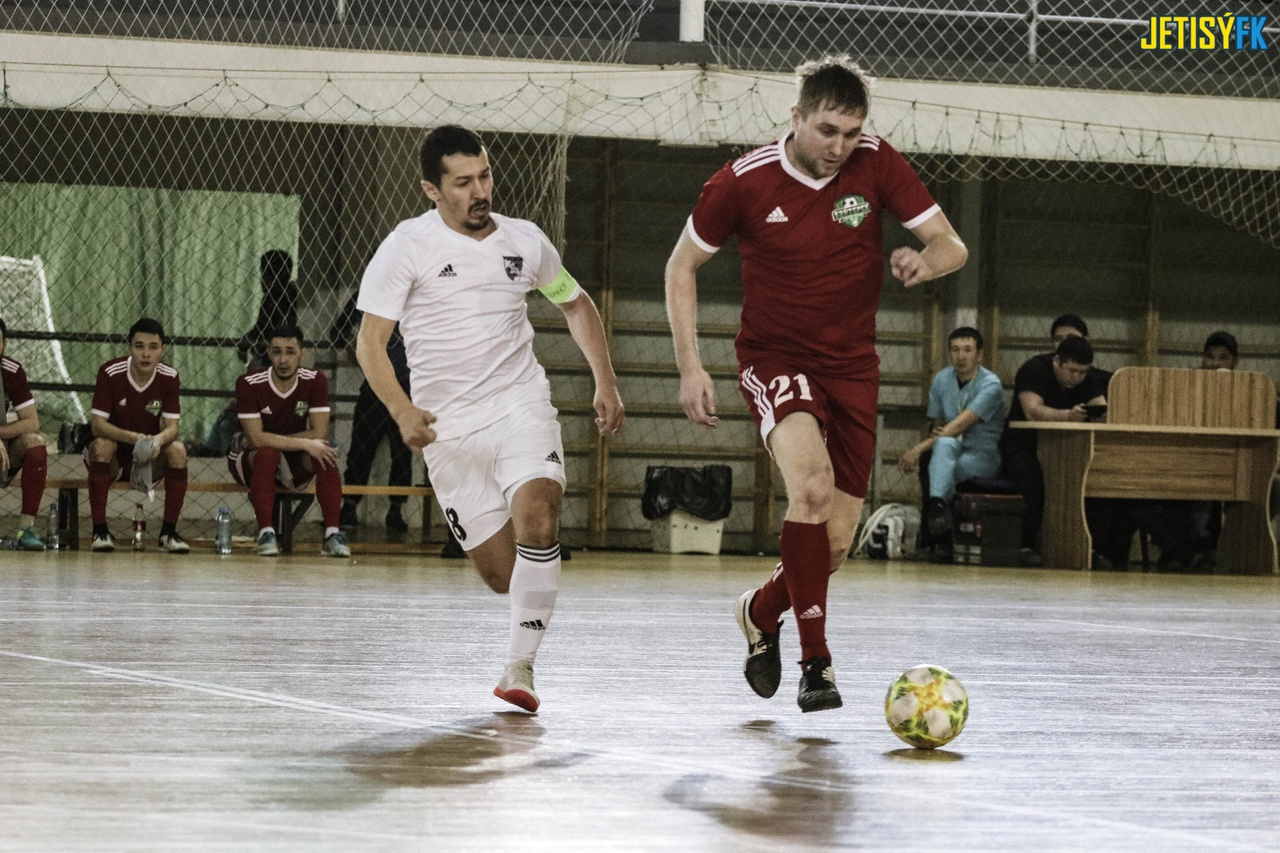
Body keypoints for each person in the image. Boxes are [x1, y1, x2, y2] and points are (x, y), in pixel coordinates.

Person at [665, 55, 969, 713]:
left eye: (852, 133)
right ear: (796, 117)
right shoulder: (741, 182)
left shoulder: (876, 161)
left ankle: (759, 610)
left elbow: (952, 245)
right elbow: (681, 267)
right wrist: (691, 366)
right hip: (774, 359)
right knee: (809, 488)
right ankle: (817, 663)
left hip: (852, 369)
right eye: (827, 130)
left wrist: (927, 262)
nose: (839, 146)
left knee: (830, 546)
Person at [354, 125, 625, 713]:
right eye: (462, 182)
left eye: (485, 176)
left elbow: (575, 302)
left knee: (540, 519)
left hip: (518, 404)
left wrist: (605, 380)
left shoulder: (525, 241)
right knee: (504, 576)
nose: (479, 191)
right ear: (431, 189)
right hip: (448, 431)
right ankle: (523, 623)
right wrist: (401, 410)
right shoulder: (407, 247)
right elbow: (370, 343)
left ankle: (520, 668)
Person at [228, 325, 350, 558]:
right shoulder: (249, 382)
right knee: (267, 454)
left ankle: (332, 534)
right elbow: (255, 438)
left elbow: (319, 432)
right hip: (249, 460)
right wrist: (305, 442)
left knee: (324, 453)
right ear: (268, 352)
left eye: (290, 352)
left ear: (302, 353)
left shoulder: (315, 380)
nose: (283, 360)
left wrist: (297, 442)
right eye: (276, 352)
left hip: (292, 458)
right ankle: (266, 534)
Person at [999, 336, 1114, 565]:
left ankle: (1091, 547)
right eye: (1071, 371)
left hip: (1068, 447)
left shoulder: (1087, 378)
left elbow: (1102, 408)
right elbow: (1032, 411)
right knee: (1030, 477)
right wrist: (1068, 416)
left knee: (1098, 478)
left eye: (1082, 372)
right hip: (1024, 444)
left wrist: (1101, 415)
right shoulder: (1033, 370)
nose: (1077, 378)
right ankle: (1025, 544)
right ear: (1056, 361)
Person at [897, 326, 1005, 558]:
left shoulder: (991, 384)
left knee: (946, 467)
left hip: (980, 452)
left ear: (979, 355)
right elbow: (938, 426)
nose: (961, 356)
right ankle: (937, 509)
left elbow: (957, 425)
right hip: (949, 446)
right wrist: (931, 443)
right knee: (942, 447)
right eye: (955, 350)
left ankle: (939, 536)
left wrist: (916, 449)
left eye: (967, 350)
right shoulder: (941, 379)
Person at [86, 317, 190, 553]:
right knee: (102, 445)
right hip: (114, 457)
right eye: (139, 346)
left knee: (178, 450)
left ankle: (168, 533)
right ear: (129, 347)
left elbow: (173, 427)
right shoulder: (110, 372)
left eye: (153, 347)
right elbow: (97, 426)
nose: (145, 354)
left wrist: (157, 440)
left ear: (163, 349)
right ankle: (100, 531)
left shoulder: (169, 376)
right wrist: (134, 438)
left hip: (149, 458)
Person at [329, 293, 414, 534]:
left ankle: (396, 508)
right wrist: (354, 345)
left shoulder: (416, 295)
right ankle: (350, 504)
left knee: (402, 450)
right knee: (362, 447)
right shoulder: (369, 294)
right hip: (376, 383)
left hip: (407, 383)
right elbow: (337, 333)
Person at [0, 317, 49, 550]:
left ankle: (26, 529)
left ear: (4, 344)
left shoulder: (11, 371)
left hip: (3, 448)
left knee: (35, 444)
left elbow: (32, 422)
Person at [237, 250, 299, 367]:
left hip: (270, 356)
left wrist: (244, 344)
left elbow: (261, 328)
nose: (262, 279)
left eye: (263, 273)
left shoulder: (273, 296)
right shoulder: (292, 293)